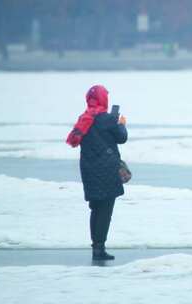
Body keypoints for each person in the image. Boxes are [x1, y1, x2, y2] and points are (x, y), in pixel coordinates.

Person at [66, 85, 127, 260]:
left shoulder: (84, 119)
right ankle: (99, 249)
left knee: (95, 208)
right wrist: (121, 124)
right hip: (107, 170)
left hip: (89, 170)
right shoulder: (107, 119)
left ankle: (97, 248)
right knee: (105, 210)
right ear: (103, 99)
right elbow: (121, 138)